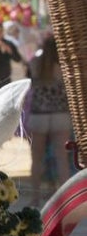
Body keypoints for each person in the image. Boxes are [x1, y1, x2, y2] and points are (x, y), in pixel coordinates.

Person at [26, 31, 73, 204]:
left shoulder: (34, 63)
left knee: (36, 159)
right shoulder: (65, 66)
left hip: (39, 115)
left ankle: (35, 198)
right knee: (62, 159)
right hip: (61, 114)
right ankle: (66, 199)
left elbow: (28, 84)